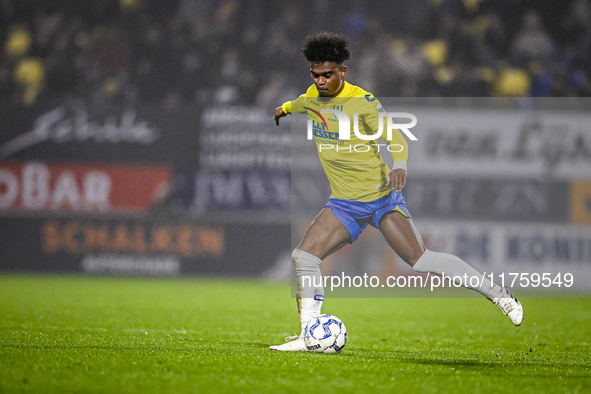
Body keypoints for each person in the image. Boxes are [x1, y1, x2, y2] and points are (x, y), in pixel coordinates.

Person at [269, 32, 523, 352]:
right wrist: (284, 109)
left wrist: (399, 163)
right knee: (303, 256)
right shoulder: (311, 97)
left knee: (421, 260)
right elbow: (301, 104)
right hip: (344, 204)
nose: (320, 81)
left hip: (380, 199)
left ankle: (498, 294)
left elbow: (394, 136)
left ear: (343, 72)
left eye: (327, 74)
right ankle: (310, 335)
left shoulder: (361, 101)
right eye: (315, 75)